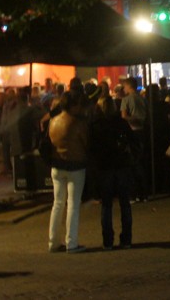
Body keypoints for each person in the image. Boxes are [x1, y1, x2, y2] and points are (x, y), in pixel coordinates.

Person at [48, 90, 90, 254]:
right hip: (75, 166)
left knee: (57, 203)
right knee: (73, 204)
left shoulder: (53, 122)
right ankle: (71, 242)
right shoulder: (77, 123)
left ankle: (53, 242)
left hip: (57, 166)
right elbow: (85, 142)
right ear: (73, 105)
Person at [90, 106, 138, 250]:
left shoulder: (96, 126)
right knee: (125, 204)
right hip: (122, 166)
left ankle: (108, 241)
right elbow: (133, 141)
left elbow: (92, 148)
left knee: (106, 205)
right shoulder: (121, 123)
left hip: (105, 168)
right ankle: (126, 240)